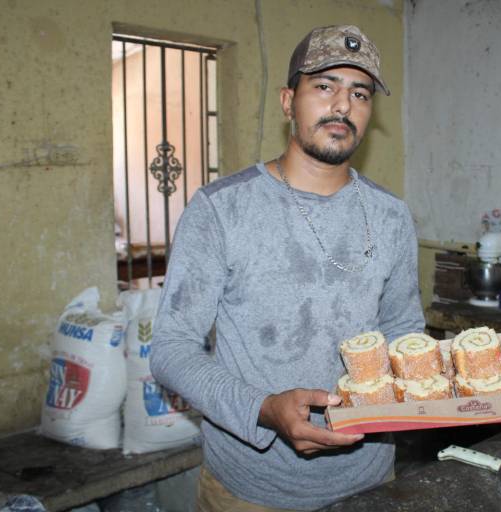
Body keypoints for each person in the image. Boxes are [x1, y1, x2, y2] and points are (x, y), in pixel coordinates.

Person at [150, 24, 425, 511]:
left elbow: (402, 326)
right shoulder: (221, 209)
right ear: (286, 101)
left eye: (359, 93)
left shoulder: (391, 215)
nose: (342, 105)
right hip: (250, 491)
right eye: (324, 86)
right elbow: (171, 350)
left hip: (372, 481)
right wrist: (263, 410)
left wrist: (429, 382)